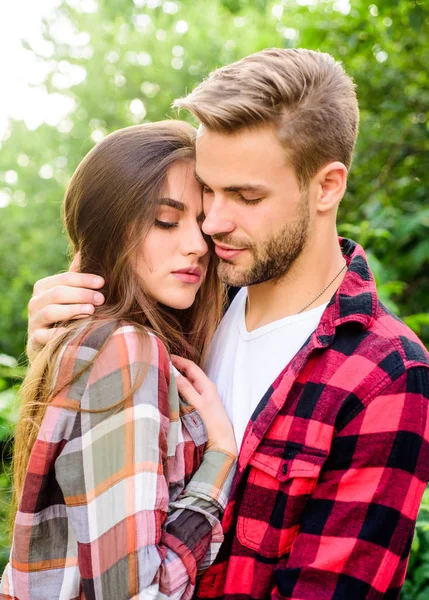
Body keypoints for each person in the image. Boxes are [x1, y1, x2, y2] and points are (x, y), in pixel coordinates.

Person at [26, 49, 429, 599]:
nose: (213, 223)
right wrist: (58, 348)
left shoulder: (384, 374)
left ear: (327, 187)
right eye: (207, 191)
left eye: (245, 196)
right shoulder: (187, 299)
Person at [0, 120, 237, 600]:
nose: (196, 244)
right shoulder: (126, 349)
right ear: (110, 227)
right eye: (165, 220)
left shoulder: (108, 345)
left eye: (201, 221)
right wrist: (221, 459)